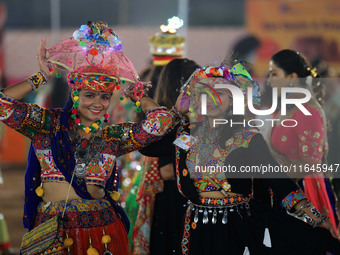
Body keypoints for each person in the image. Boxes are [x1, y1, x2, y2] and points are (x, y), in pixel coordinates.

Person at [0, 21, 180, 255]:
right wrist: (40, 77)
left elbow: (162, 122)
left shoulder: (112, 136)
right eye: (89, 95)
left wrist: (137, 95)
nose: (98, 103)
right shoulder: (46, 125)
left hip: (101, 233)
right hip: (53, 232)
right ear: (75, 94)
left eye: (105, 97)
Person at [140, 62, 340, 255]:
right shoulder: (188, 135)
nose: (211, 99)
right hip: (196, 228)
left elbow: (278, 181)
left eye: (220, 93)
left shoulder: (248, 138)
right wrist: (175, 113)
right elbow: (147, 145)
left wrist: (315, 218)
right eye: (205, 93)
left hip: (237, 228)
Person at [266, 49, 338, 233]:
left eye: (275, 74)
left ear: (292, 77)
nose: (270, 80)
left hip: (305, 196)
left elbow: (309, 164)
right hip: (286, 193)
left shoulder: (308, 111)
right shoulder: (286, 109)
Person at [133, 58, 200, 255]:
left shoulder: (189, 120)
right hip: (175, 202)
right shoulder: (168, 121)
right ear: (182, 87)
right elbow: (167, 170)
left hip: (185, 201)